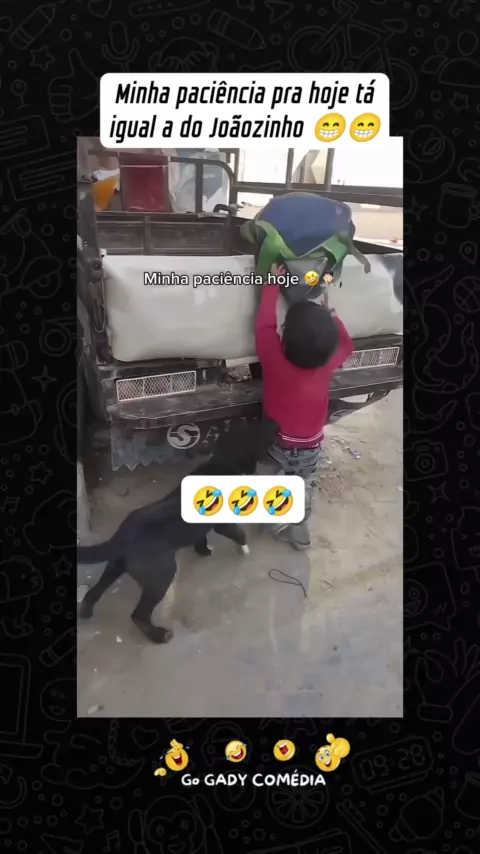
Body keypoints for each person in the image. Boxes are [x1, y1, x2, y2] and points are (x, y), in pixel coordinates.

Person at [255, 263, 354, 550]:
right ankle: (298, 531)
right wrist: (332, 316)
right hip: (310, 445)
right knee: (301, 486)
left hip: (276, 441)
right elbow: (347, 346)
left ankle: (271, 520)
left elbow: (264, 326)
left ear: (285, 340)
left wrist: (272, 284)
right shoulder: (327, 364)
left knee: (266, 478)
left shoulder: (273, 359)